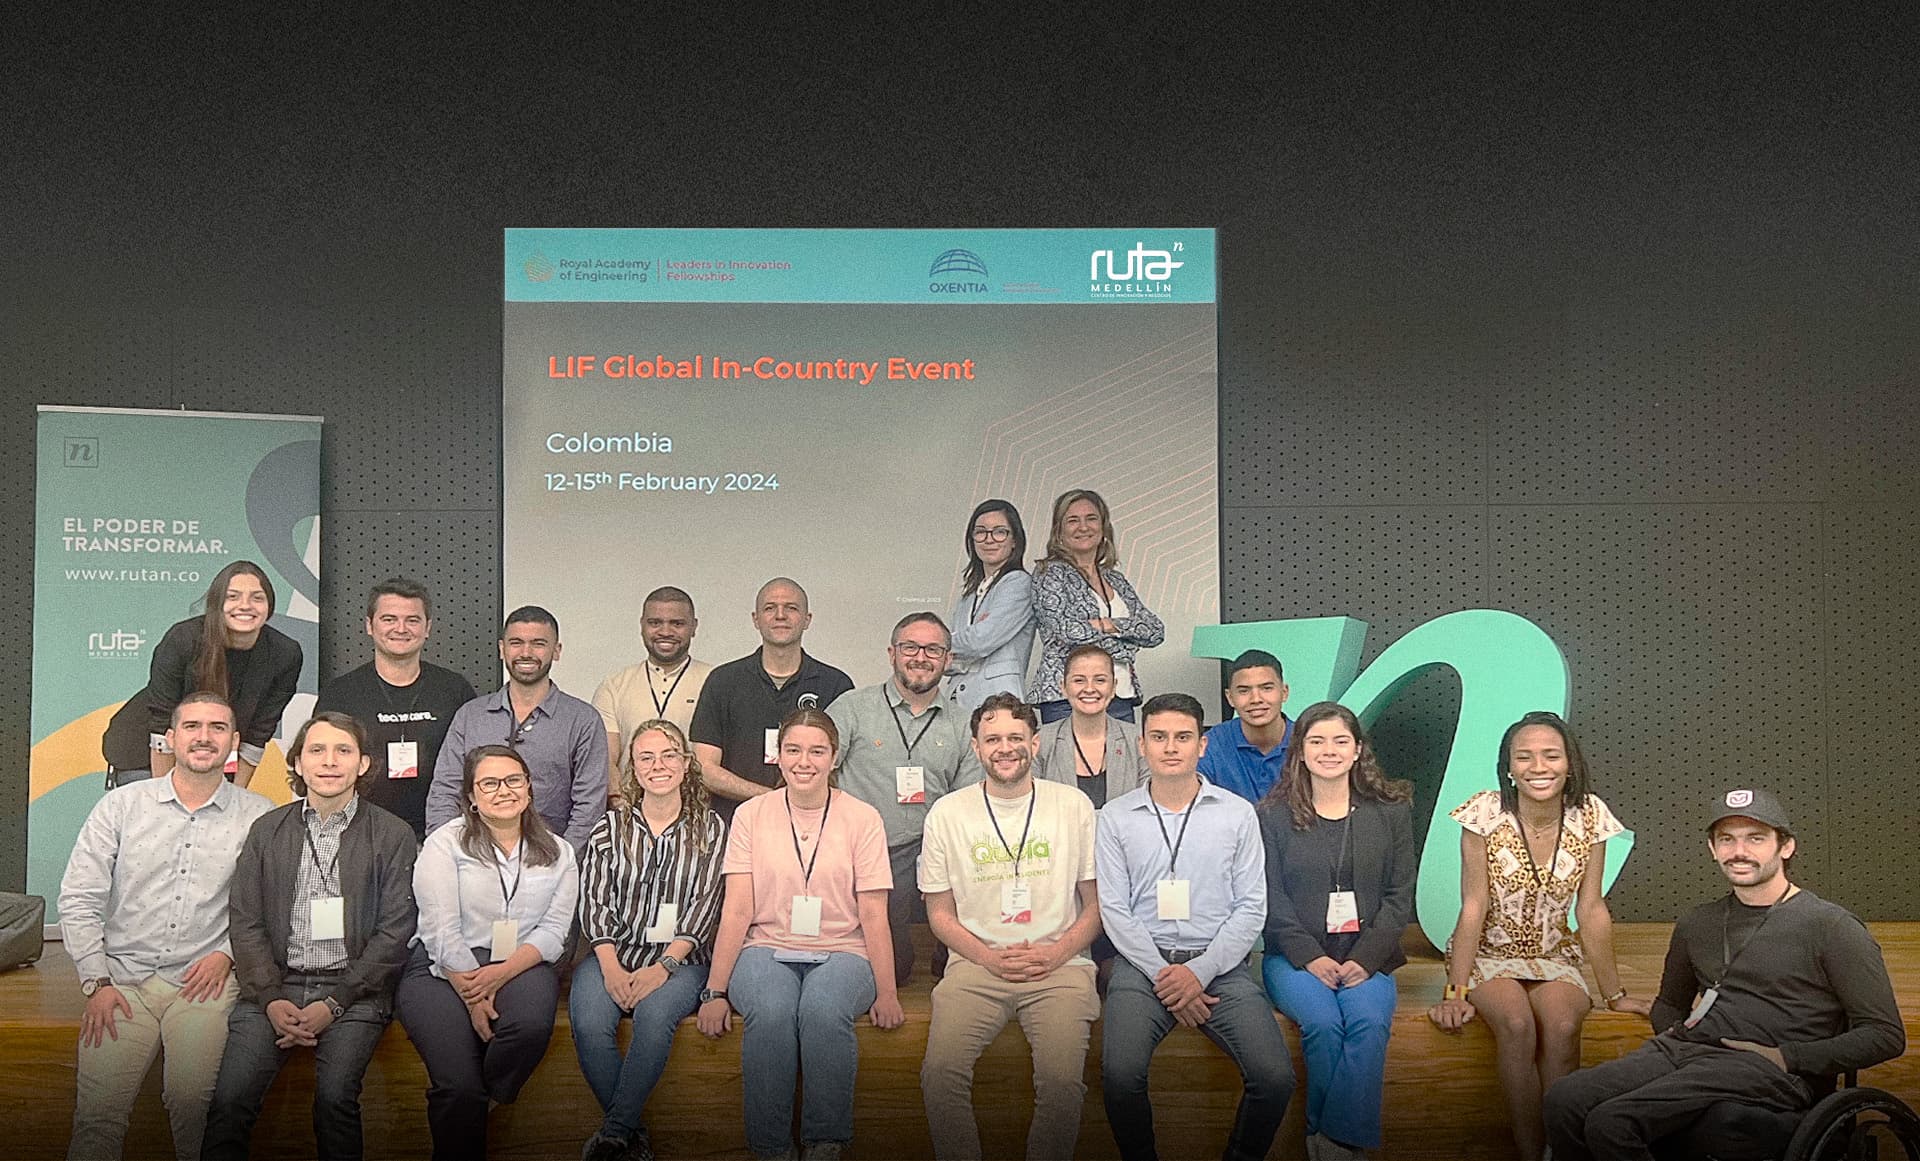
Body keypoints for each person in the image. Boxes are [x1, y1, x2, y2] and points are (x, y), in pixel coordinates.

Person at [1544, 788, 1906, 1161]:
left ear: (1786, 847)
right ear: (1712, 849)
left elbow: (1885, 1035)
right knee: (1565, 1099)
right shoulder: (1697, 923)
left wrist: (1787, 1056)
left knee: (1613, 1123)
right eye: (1727, 839)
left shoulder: (1832, 927)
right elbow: (1670, 1002)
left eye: (1755, 838)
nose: (1739, 851)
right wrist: (1675, 1032)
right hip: (1688, 1050)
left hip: (1769, 1067)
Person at [58, 691, 274, 1161]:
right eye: (192, 727)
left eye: (217, 728)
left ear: (234, 742)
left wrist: (228, 954)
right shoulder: (120, 807)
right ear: (170, 738)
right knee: (98, 1115)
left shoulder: (260, 815)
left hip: (203, 986)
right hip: (122, 983)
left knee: (194, 1106)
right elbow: (78, 898)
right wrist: (95, 981)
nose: (204, 737)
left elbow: (270, 907)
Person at [1427, 711, 1650, 1161]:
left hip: (1554, 955)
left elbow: (1590, 909)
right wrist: (1456, 991)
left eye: (1551, 755)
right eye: (1524, 757)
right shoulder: (1484, 812)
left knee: (1565, 1025)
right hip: (1490, 953)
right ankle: (1532, 1154)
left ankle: (1561, 1148)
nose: (1538, 766)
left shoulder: (1592, 816)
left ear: (1569, 763)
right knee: (1516, 1025)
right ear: (1508, 767)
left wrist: (1616, 994)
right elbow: (1473, 906)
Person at [202, 712, 419, 1160]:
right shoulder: (267, 830)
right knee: (227, 1103)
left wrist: (334, 1003)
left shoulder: (393, 834)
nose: (329, 762)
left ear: (362, 764)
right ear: (298, 763)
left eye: (343, 750)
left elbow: (394, 932)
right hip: (274, 987)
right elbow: (246, 921)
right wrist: (269, 998)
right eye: (316, 751)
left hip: (356, 994)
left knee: (335, 1099)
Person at [695, 708, 903, 1161]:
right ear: (778, 755)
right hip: (765, 946)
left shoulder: (863, 818)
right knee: (771, 1011)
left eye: (816, 750)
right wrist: (714, 991)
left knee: (823, 1010)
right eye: (793, 750)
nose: (803, 761)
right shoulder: (751, 815)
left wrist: (886, 992)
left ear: (834, 757)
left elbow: (872, 912)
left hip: (844, 950)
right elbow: (738, 908)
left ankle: (825, 1142)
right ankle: (770, 1149)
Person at [1096, 693, 1291, 1161]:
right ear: (1141, 745)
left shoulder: (1237, 813)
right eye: (1158, 737)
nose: (1170, 747)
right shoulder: (1115, 817)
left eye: (1183, 737)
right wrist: (1167, 977)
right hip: (1142, 970)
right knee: (1120, 1077)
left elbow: (1250, 907)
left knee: (1275, 1077)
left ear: (1202, 745)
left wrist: (1198, 972)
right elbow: (1114, 909)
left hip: (1220, 967)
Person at [919, 693, 1102, 1161]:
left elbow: (1097, 907)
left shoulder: (1074, 806)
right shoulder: (947, 813)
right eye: (993, 739)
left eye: (1016, 738)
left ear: (1035, 743)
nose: (1005, 748)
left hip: (1059, 966)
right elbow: (939, 913)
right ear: (976, 748)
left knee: (1062, 1082)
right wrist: (987, 957)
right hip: (976, 966)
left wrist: (1056, 953)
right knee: (939, 1076)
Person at [398, 745, 579, 1160]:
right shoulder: (445, 844)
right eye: (490, 784)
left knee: (530, 1028)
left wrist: (501, 974)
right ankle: (467, 1105)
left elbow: (555, 932)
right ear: (472, 797)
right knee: (456, 1086)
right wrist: (472, 991)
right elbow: (441, 930)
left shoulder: (558, 851)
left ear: (529, 789)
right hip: (441, 967)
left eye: (514, 780)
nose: (504, 791)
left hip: (521, 962)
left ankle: (491, 1094)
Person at [1256, 702, 1416, 1161]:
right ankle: (1332, 1144)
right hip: (1294, 960)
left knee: (1366, 1021)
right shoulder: (1272, 817)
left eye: (1340, 741)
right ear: (1300, 752)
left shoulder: (1391, 812)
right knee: (1324, 1024)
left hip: (1369, 957)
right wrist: (1311, 957)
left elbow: (1398, 895)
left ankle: (1332, 1141)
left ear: (1358, 750)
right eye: (1317, 741)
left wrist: (1365, 960)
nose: (1329, 751)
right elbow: (1271, 899)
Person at [573, 719, 727, 1161]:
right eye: (646, 757)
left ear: (685, 764)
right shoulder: (609, 829)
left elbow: (707, 904)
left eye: (668, 755)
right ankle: (631, 1131)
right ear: (633, 769)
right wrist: (611, 968)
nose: (658, 765)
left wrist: (664, 967)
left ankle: (614, 1135)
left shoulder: (712, 830)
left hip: (684, 960)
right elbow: (595, 901)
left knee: (655, 1016)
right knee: (588, 1022)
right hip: (613, 954)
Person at [827, 612, 983, 985]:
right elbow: (816, 769)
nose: (920, 657)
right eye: (910, 646)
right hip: (869, 850)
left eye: (933, 649)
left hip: (935, 850)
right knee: (893, 970)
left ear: (948, 660)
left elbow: (967, 805)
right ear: (892, 653)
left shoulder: (965, 724)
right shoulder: (852, 708)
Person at [101, 560, 303, 788]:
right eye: (232, 597)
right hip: (144, 753)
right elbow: (161, 724)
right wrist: (163, 799)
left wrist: (237, 796)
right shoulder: (183, 639)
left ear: (270, 605)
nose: (245, 605)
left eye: (257, 598)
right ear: (217, 603)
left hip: (213, 754)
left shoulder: (285, 654)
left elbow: (258, 733)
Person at [426, 606, 608, 854]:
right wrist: (448, 854)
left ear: (556, 651)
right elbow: (445, 792)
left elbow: (589, 808)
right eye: (516, 643)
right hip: (474, 861)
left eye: (538, 644)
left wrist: (560, 864)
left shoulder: (583, 720)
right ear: (502, 649)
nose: (526, 652)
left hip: (550, 863)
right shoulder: (470, 716)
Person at [314, 578, 478, 839]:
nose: (401, 628)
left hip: (440, 835)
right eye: (389, 619)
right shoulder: (340, 693)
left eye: (412, 620)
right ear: (369, 625)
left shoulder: (455, 689)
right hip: (359, 836)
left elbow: (476, 765)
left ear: (428, 628)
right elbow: (322, 766)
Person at [689, 578, 854, 821]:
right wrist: (770, 799)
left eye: (791, 608)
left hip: (814, 824)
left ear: (807, 619)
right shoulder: (723, 681)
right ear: (756, 619)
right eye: (770, 608)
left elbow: (843, 769)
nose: (780, 615)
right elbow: (705, 769)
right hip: (735, 823)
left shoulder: (835, 685)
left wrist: (794, 805)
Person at [1027, 489, 1164, 724]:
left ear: (1103, 527)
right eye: (1072, 520)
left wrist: (1108, 624)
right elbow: (1067, 631)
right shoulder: (1049, 573)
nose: (1083, 527)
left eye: (1091, 518)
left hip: (1120, 694)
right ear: (1059, 530)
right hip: (1066, 698)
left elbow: (1154, 630)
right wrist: (1124, 649)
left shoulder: (1115, 579)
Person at [590, 586, 714, 796]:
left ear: (694, 627)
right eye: (655, 623)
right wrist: (624, 810)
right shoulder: (614, 686)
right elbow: (606, 760)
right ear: (642, 626)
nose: (665, 632)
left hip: (699, 814)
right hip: (631, 812)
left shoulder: (717, 681)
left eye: (677, 623)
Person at [944, 499, 1036, 717]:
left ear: (1015, 540)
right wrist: (950, 652)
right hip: (958, 701)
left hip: (999, 703)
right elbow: (946, 663)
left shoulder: (1019, 583)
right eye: (981, 532)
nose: (989, 539)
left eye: (1000, 532)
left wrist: (935, 645)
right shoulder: (968, 595)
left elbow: (980, 640)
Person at [1032, 644, 1148, 809]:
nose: (1089, 689)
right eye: (1079, 680)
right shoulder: (1041, 742)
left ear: (1114, 687)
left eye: (1100, 680)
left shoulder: (1138, 740)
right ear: (1063, 687)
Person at [1199, 650, 1293, 804]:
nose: (1256, 699)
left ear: (1284, 692)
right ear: (1230, 698)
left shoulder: (1307, 740)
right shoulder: (1212, 744)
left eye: (1266, 688)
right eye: (1244, 691)